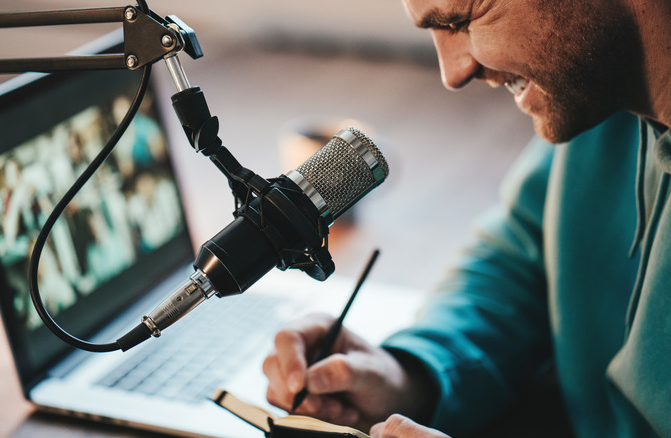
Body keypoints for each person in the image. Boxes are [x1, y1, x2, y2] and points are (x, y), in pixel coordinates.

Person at [262, 0, 671, 436]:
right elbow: (524, 259)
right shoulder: (602, 93)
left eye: (462, 20)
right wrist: (413, 375)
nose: (453, 72)